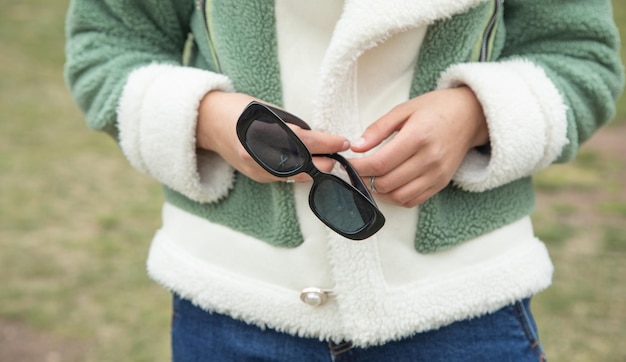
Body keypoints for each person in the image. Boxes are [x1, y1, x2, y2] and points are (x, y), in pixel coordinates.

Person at [64, 0, 623, 360]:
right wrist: (206, 120)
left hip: (461, 306)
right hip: (235, 305)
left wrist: (474, 114)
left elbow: (581, 57)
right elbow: (107, 47)